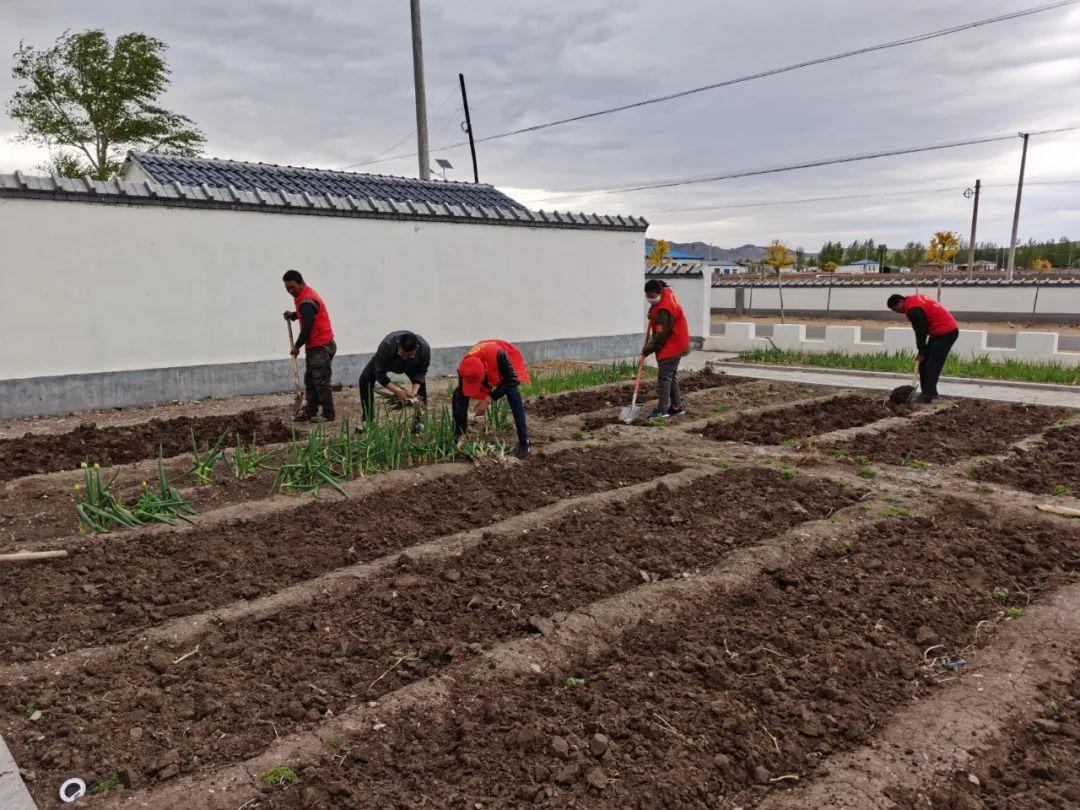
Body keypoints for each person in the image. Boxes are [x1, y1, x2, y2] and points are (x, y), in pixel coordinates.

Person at [453, 339, 532, 460]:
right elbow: (465, 390)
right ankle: (459, 436)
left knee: (513, 393)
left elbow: (512, 380)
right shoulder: (465, 366)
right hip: (482, 361)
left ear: (484, 373)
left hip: (501, 362)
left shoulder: (500, 355)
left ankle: (524, 442)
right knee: (459, 395)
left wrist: (488, 399)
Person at [282, 269, 336, 421]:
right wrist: (293, 315)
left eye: (292, 287)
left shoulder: (306, 301)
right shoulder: (304, 295)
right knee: (311, 379)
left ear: (300, 283)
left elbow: (307, 328)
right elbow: (307, 314)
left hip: (320, 346)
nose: (290, 291)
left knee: (320, 381)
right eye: (287, 289)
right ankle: (310, 410)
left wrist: (297, 346)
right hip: (323, 343)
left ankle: (328, 414)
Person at [887, 293, 959, 403]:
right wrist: (922, 352)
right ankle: (931, 392)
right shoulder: (912, 301)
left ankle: (927, 394)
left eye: (895, 309)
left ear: (900, 302)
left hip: (946, 332)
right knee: (924, 362)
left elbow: (921, 332)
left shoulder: (913, 310)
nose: (897, 312)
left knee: (933, 364)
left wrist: (921, 351)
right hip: (937, 333)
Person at [358, 330, 431, 424]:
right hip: (390, 362)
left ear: (416, 348)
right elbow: (380, 374)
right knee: (365, 379)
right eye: (402, 354)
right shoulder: (386, 345)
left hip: (411, 365)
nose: (404, 357)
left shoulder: (424, 349)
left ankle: (420, 422)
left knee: (420, 389)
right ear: (398, 344)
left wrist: (414, 392)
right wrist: (397, 391)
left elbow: (421, 372)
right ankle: (368, 420)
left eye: (409, 355)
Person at [643, 278, 691, 419]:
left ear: (659, 293)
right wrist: (653, 311)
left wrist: (648, 348)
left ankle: (662, 410)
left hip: (673, 344)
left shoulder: (664, 310)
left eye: (653, 297)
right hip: (679, 340)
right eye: (648, 297)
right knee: (670, 376)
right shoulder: (667, 292)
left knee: (664, 377)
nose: (651, 300)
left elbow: (660, 336)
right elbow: (657, 309)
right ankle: (676, 406)